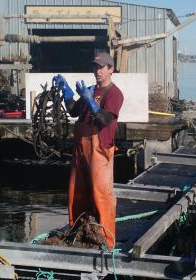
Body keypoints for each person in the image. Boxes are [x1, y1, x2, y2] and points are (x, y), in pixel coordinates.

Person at [53, 52, 124, 249]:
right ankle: (79, 232)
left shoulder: (114, 94)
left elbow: (105, 120)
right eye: (95, 67)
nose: (97, 71)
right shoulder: (91, 90)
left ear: (111, 69)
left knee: (102, 195)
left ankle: (106, 240)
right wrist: (66, 91)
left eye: (102, 67)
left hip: (100, 151)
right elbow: (74, 111)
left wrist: (91, 102)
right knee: (77, 193)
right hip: (81, 149)